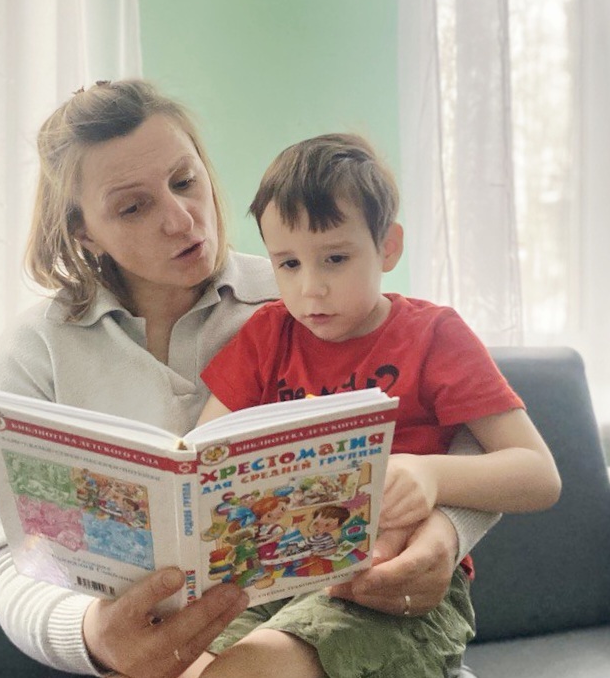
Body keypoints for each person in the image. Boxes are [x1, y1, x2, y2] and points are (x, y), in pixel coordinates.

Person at [0, 79, 502, 678]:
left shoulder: (304, 289)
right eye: (133, 207)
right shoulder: (36, 349)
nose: (181, 219)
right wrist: (93, 637)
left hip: (347, 622)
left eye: (185, 181)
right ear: (83, 231)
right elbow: (15, 562)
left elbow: (471, 437)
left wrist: (447, 535)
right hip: (192, 648)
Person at [194, 132, 563, 677]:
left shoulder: (434, 335)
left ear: (388, 247)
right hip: (272, 580)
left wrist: (430, 474)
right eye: (288, 264)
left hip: (390, 588)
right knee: (174, 664)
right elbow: (200, 457)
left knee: (253, 668)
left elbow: (538, 475)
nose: (311, 289)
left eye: (335, 258)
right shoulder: (266, 336)